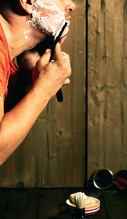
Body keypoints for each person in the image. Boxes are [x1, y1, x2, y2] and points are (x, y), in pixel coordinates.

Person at [0, 0, 75, 164]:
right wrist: (44, 90)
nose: (72, 5)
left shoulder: (7, 56)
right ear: (27, 1)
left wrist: (28, 76)